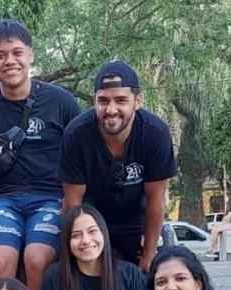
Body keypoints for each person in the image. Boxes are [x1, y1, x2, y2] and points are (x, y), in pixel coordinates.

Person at [0, 20, 81, 290]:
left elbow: (84, 154)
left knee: (37, 259)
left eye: (17, 53)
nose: (9, 61)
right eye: (0, 55)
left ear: (30, 55)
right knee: (0, 262)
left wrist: (75, 205)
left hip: (49, 197)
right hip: (3, 198)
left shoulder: (62, 101)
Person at [57, 61, 176, 272]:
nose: (111, 109)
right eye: (103, 101)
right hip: (92, 220)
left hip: (136, 219)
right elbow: (73, 203)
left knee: (155, 270)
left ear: (137, 101)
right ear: (94, 101)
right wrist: (75, 251)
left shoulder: (155, 133)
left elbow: (156, 199)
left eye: (121, 100)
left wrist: (149, 254)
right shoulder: (76, 134)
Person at [208, 190, 231, 256]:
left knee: (215, 230)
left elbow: (228, 218)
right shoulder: (230, 206)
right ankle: (215, 250)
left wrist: (224, 221)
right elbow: (226, 219)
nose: (224, 199)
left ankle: (211, 250)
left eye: (225, 197)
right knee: (215, 230)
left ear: (229, 197)